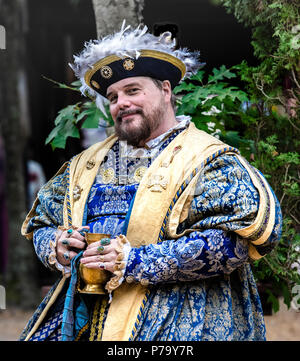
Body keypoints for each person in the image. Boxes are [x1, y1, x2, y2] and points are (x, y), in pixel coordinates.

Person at [20, 22, 282, 341]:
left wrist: (132, 261)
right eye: (114, 97)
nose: (121, 103)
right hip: (86, 316)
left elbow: (233, 243)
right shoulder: (86, 164)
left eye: (132, 90)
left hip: (185, 318)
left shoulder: (208, 158)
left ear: (166, 91)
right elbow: (41, 224)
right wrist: (59, 246)